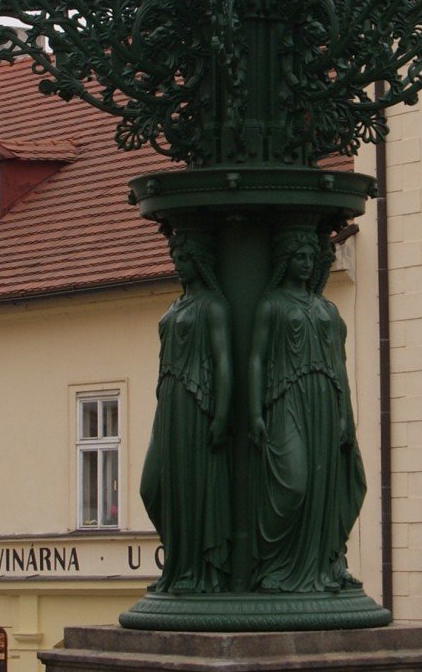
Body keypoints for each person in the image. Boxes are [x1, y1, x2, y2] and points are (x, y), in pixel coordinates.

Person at [248, 226, 366, 592]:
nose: (306, 263)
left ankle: (327, 561)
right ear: (285, 260)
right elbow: (255, 359)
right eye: (299, 257)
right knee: (293, 485)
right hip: (286, 399)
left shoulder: (328, 311)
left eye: (310, 257)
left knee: (324, 487)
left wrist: (347, 414)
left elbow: (340, 366)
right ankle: (276, 564)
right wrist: (254, 411)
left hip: (326, 403)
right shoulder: (272, 305)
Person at [140, 228, 233, 592]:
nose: (178, 266)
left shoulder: (213, 306)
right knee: (155, 485)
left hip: (199, 404)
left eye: (184, 259)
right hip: (170, 403)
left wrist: (222, 414)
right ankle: (177, 563)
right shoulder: (175, 307)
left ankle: (198, 569)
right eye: (175, 259)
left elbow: (224, 360)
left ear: (199, 261)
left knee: (195, 486)